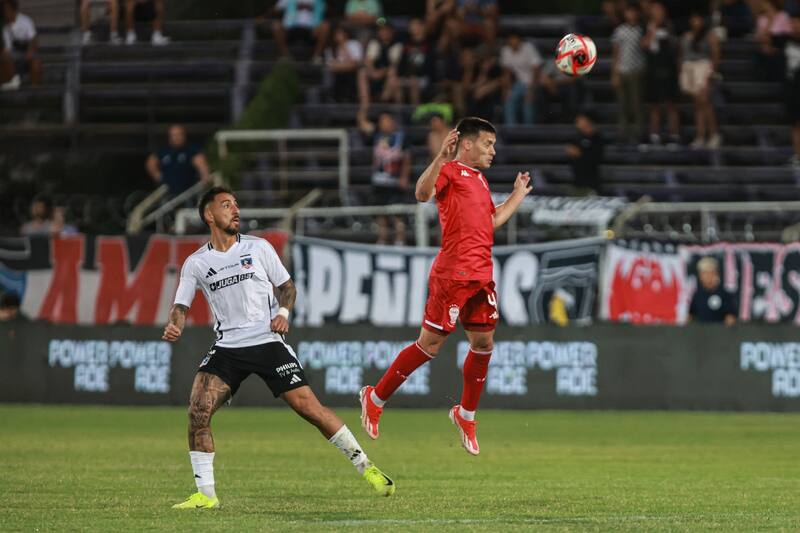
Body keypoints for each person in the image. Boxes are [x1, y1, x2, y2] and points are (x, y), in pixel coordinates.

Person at [163, 187, 395, 509]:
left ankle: (367, 467)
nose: (235, 210)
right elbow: (180, 305)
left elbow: (286, 287)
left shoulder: (258, 248)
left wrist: (282, 314)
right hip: (228, 347)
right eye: (226, 205)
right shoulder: (197, 263)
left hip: (267, 341)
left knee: (310, 409)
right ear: (208, 215)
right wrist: (176, 322)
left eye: (236, 204)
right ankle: (206, 495)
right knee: (197, 412)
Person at [358, 117, 533, 455]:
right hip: (453, 275)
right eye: (487, 143)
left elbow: (492, 220)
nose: (493, 151)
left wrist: (516, 195)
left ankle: (465, 415)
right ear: (466, 144)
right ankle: (375, 397)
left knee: (483, 343)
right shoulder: (450, 171)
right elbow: (421, 193)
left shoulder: (480, 180)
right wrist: (440, 157)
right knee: (430, 345)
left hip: (481, 276)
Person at [358, 109, 411, 245]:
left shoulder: (401, 137)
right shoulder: (376, 134)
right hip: (379, 181)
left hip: (394, 180)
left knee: (398, 211)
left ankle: (400, 239)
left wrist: (404, 177)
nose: (383, 124)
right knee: (380, 211)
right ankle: (383, 238)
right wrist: (364, 105)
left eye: (385, 121)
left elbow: (407, 158)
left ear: (392, 122)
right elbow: (363, 124)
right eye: (381, 121)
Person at [680, 12, 722, 150]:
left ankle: (714, 134)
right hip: (689, 70)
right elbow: (682, 55)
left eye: (698, 18)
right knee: (697, 105)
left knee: (705, 102)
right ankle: (700, 136)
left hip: (704, 68)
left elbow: (716, 55)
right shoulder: (686, 36)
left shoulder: (709, 36)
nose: (696, 21)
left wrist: (711, 73)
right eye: (694, 18)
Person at [642, 2, 681, 148]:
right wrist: (651, 31)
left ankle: (674, 136)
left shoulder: (670, 27)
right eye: (655, 10)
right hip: (653, 70)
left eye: (660, 10)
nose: (658, 13)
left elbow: (676, 47)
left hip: (669, 70)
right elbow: (644, 45)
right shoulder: (646, 27)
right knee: (654, 105)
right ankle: (654, 136)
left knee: (672, 105)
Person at [611, 4, 646, 145]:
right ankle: (623, 133)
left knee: (636, 104)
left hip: (637, 71)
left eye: (633, 12)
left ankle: (638, 133)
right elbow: (616, 53)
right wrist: (614, 73)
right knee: (623, 104)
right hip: (622, 70)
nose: (631, 15)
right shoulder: (620, 31)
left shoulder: (641, 30)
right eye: (628, 12)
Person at [146, 124, 210, 198]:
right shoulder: (163, 151)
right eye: (174, 135)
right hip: (168, 193)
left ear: (184, 135)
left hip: (188, 193)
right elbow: (150, 163)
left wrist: (205, 178)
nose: (176, 137)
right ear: (169, 137)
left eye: (179, 134)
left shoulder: (191, 150)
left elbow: (202, 166)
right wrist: (159, 177)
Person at [264, 0, 330, 63]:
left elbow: (325, 9)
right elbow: (276, 9)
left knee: (325, 26)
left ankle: (317, 57)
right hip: (290, 28)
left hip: (312, 29)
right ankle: (286, 56)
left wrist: (311, 8)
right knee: (276, 26)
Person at [774, 12, 800, 167]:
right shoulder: (785, 41)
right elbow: (769, 38)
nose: (797, 26)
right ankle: (798, 156)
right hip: (792, 88)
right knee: (795, 124)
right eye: (794, 23)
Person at [500, 33, 543, 125]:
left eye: (515, 39)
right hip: (519, 83)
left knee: (528, 104)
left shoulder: (529, 48)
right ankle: (512, 131)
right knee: (509, 101)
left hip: (533, 82)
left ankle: (528, 133)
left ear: (519, 40)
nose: (513, 42)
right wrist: (506, 90)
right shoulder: (506, 50)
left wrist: (531, 90)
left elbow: (536, 71)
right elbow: (506, 73)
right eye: (511, 40)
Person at [357, 21, 402, 108]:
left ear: (392, 32)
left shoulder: (397, 44)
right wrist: (373, 71)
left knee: (392, 72)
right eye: (381, 30)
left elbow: (394, 64)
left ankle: (383, 102)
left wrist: (381, 72)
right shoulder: (375, 43)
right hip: (375, 73)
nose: (384, 33)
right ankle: (365, 103)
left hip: (390, 75)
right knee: (362, 72)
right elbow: (369, 61)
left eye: (386, 30)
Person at [397, 18, 436, 106]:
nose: (412, 27)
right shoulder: (406, 44)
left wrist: (415, 75)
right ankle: (399, 110)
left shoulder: (429, 44)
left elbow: (430, 66)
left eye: (415, 25)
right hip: (408, 77)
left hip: (424, 78)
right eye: (411, 26)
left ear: (422, 27)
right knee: (395, 82)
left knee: (414, 82)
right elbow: (402, 64)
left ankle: (415, 112)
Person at [566, 111, 605, 195]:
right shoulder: (577, 137)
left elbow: (597, 158)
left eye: (580, 120)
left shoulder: (597, 138)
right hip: (577, 180)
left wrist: (580, 154)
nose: (577, 123)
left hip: (592, 181)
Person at [688, 257, 736, 325]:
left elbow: (730, 317)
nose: (707, 276)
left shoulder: (724, 294)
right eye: (704, 273)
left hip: (720, 333)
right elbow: (690, 315)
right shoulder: (697, 295)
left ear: (716, 274)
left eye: (710, 272)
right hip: (700, 333)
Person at [2, 0, 40, 86]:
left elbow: (33, 39)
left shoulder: (25, 21)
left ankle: (35, 89)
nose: (5, 12)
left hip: (28, 51)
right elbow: (8, 48)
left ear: (13, 9)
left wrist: (30, 51)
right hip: (15, 54)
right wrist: (5, 54)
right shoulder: (5, 27)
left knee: (36, 62)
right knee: (4, 61)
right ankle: (11, 84)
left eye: (6, 9)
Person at [754, 0, 792, 82]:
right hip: (764, 46)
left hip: (780, 45)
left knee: (777, 53)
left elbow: (787, 33)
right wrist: (770, 21)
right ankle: (763, 78)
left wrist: (771, 39)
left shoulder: (783, 16)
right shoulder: (761, 18)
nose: (764, 5)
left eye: (766, 3)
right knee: (762, 51)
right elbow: (759, 36)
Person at [324, 25, 362, 102]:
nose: (339, 36)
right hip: (337, 74)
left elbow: (355, 63)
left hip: (352, 73)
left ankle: (351, 97)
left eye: (340, 33)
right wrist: (346, 66)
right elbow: (331, 66)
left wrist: (343, 46)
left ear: (346, 34)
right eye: (336, 34)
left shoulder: (354, 44)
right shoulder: (330, 48)